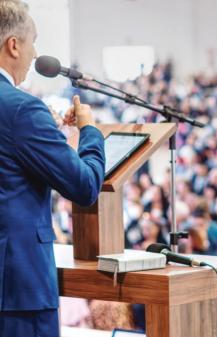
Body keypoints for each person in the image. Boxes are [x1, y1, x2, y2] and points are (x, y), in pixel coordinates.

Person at [0, 1, 105, 336]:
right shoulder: (22, 109)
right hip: (17, 289)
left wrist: (50, 139)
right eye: (33, 42)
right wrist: (89, 132)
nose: (34, 54)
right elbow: (85, 186)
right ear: (13, 45)